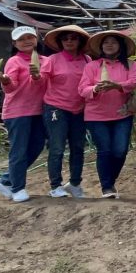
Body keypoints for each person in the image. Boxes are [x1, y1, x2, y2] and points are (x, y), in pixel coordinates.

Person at [78, 30, 136, 199]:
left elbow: (133, 82)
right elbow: (82, 89)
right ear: (101, 47)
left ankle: (109, 180)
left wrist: (116, 86)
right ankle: (107, 187)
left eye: (113, 42)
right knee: (104, 151)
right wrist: (95, 89)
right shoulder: (92, 66)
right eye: (106, 42)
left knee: (120, 150)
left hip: (122, 114)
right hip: (96, 115)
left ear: (120, 46)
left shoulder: (129, 64)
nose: (109, 45)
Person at [0, 26, 46, 203]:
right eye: (21, 39)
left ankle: (5, 180)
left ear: (36, 39)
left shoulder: (45, 60)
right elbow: (11, 86)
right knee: (19, 150)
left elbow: (46, 84)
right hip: (18, 112)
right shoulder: (14, 61)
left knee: (36, 147)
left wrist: (37, 77)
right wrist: (6, 81)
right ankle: (17, 188)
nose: (27, 41)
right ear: (15, 43)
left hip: (39, 111)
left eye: (30, 37)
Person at [40, 25, 92, 198]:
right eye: (65, 38)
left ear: (80, 41)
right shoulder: (52, 60)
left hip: (80, 109)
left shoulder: (87, 60)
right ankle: (56, 185)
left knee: (78, 147)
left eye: (73, 38)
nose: (69, 41)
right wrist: (34, 75)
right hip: (56, 108)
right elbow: (40, 80)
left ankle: (75, 183)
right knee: (57, 147)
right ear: (60, 42)